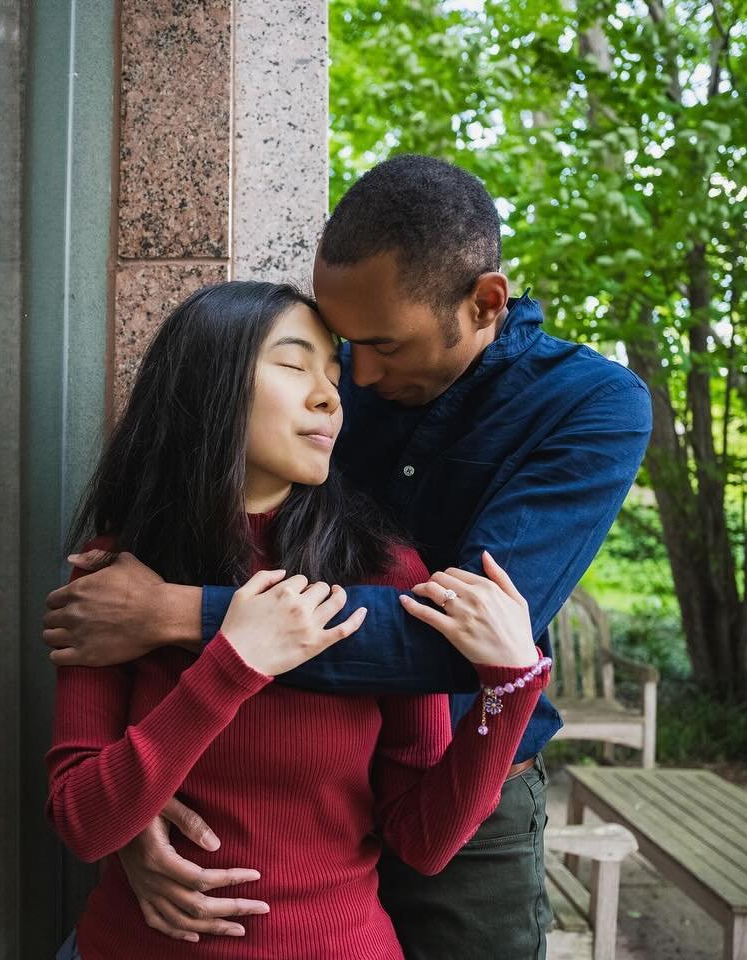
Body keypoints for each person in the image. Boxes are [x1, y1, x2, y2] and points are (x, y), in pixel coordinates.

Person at [43, 155, 652, 957]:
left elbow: (442, 641)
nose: (351, 384)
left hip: (468, 790)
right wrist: (138, 802)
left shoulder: (589, 407)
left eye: (378, 350)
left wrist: (183, 618)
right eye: (327, 355)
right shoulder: (130, 561)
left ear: (484, 303)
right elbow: (88, 806)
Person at [47, 280, 551, 958]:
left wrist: (510, 688)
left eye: (334, 374)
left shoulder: (384, 572)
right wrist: (231, 666)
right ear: (210, 384)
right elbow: (82, 821)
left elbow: (422, 842)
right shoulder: (119, 576)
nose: (330, 396)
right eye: (294, 365)